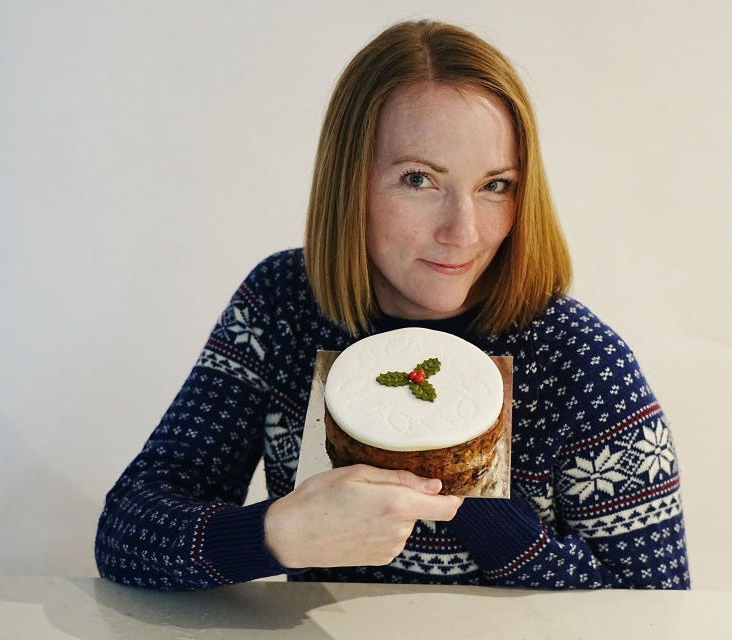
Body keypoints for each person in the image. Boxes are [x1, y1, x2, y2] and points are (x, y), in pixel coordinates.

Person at [95, 19, 690, 591]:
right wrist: (273, 535)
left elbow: (657, 608)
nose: (463, 231)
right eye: (418, 179)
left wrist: (480, 511)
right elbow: (127, 532)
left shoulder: (579, 359)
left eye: (495, 185)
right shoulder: (282, 306)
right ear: (350, 179)